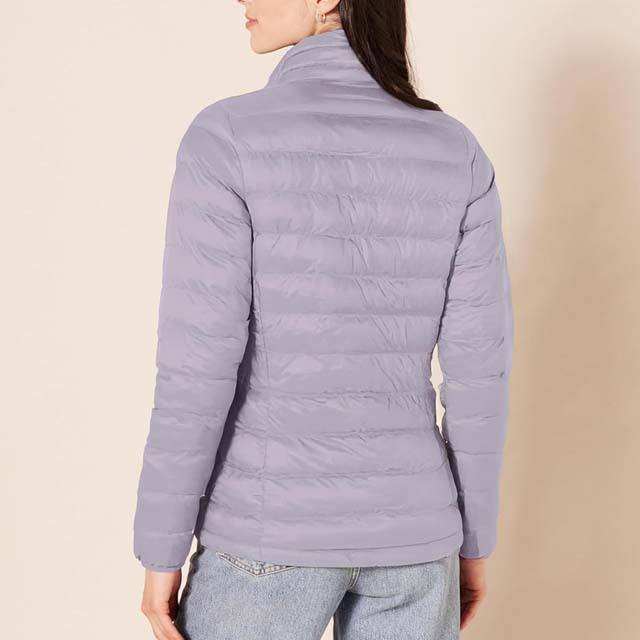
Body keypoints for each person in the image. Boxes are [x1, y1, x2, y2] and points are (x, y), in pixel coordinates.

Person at [133, 1, 514, 638]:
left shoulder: (227, 138)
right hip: (417, 545)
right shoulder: (457, 151)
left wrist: (160, 550)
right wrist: (473, 541)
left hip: (267, 536)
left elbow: (196, 367)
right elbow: (481, 377)